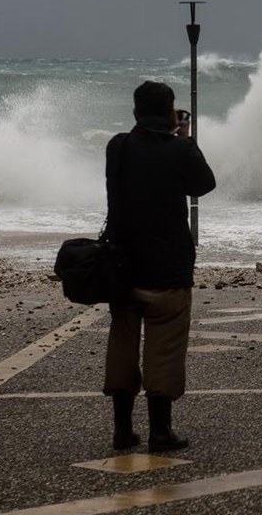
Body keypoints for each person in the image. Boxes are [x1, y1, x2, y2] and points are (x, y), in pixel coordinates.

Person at [103, 80, 216, 452]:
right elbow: (203, 185)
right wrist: (184, 136)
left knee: (122, 342)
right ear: (171, 114)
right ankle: (160, 431)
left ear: (135, 112)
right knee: (163, 348)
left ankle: (122, 430)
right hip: (168, 266)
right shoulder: (180, 150)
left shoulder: (117, 148)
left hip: (122, 265)